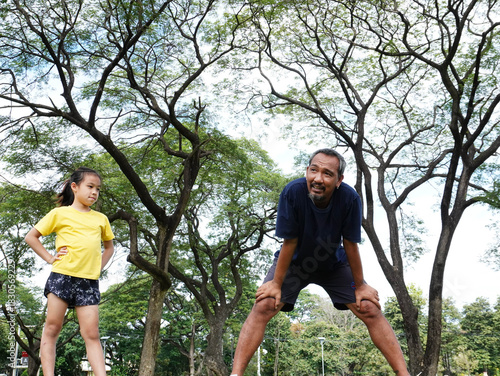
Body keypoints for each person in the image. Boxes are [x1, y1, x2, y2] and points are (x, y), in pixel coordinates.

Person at [230, 149, 410, 376]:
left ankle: (405, 374)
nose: (318, 179)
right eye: (313, 170)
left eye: (327, 173)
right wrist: (275, 284)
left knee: (369, 308)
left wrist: (361, 285)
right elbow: (290, 241)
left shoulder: (350, 198)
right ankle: (235, 374)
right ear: (307, 171)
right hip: (295, 263)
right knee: (264, 304)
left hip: (333, 264)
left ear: (338, 180)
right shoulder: (292, 192)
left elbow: (351, 244)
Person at [25, 167, 114, 376]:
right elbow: (31, 236)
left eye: (98, 189)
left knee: (91, 334)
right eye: (90, 187)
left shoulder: (101, 219)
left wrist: (97, 268)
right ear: (74, 187)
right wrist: (49, 257)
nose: (94, 192)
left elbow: (109, 248)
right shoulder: (59, 213)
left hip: (88, 282)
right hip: (61, 277)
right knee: (52, 328)